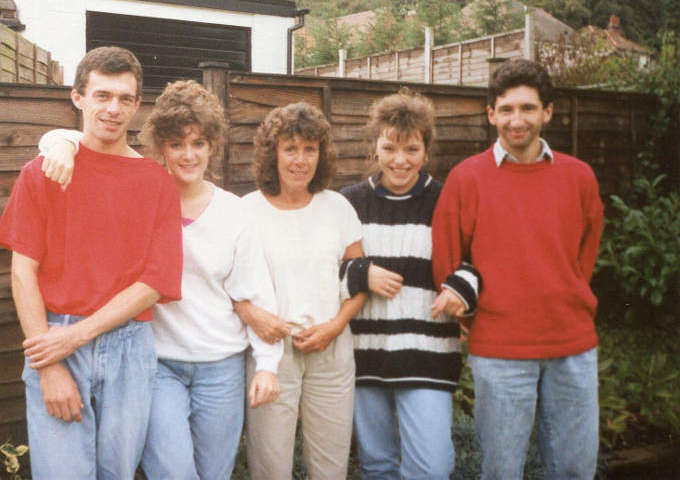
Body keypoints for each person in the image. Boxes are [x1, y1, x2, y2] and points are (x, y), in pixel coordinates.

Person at [37, 79, 283, 480]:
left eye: (199, 144)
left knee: (214, 473)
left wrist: (268, 365)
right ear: (160, 147)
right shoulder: (142, 192)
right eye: (176, 144)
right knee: (172, 472)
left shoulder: (236, 213)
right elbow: (81, 143)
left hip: (221, 365)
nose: (188, 155)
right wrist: (60, 142)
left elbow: (255, 292)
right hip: (160, 363)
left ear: (212, 147)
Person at [0, 46, 183, 480]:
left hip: (129, 346)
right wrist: (51, 362)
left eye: (125, 98)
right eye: (102, 95)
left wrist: (77, 336)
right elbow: (23, 273)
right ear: (78, 97)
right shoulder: (41, 172)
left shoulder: (155, 181)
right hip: (53, 339)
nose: (113, 109)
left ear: (137, 105)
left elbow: (155, 281)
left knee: (116, 473)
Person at [432, 58, 604, 480]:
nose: (517, 119)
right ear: (491, 114)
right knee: (502, 471)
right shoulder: (466, 178)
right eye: (506, 109)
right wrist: (475, 317)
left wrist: (567, 297)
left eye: (528, 108)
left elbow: (586, 251)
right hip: (501, 351)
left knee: (575, 470)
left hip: (573, 346)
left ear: (548, 112)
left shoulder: (579, 176)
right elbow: (447, 258)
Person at [339, 89, 480, 480]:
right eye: (389, 148)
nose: (400, 160)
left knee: (431, 468)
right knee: (377, 465)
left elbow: (481, 261)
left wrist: (459, 289)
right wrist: (360, 274)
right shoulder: (348, 203)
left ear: (426, 150)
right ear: (375, 148)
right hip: (365, 355)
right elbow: (320, 269)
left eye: (412, 150)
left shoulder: (448, 199)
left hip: (428, 355)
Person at [234, 102, 367, 480]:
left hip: (331, 349)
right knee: (269, 464)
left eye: (310, 149)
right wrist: (253, 315)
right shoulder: (246, 211)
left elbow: (360, 281)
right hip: (272, 354)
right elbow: (227, 286)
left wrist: (336, 326)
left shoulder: (338, 207)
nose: (300, 160)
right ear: (271, 153)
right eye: (290, 149)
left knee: (330, 465)